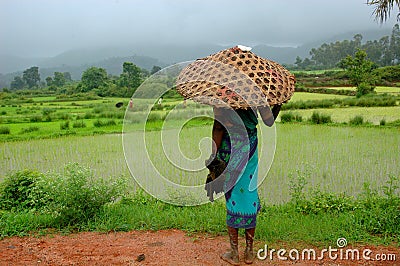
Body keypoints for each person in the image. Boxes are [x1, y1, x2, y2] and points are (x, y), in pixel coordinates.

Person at [208, 104, 281, 265]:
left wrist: (213, 157)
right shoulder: (254, 92)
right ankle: (249, 251)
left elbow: (219, 127)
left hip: (230, 148)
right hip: (250, 147)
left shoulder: (222, 93)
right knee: (249, 195)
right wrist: (278, 104)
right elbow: (268, 121)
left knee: (232, 196)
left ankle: (234, 253)